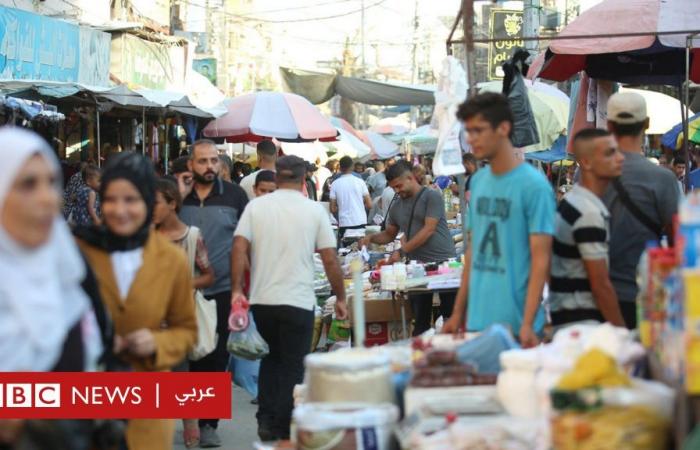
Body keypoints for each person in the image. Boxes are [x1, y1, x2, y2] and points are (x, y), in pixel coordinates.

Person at [74, 152, 197, 450]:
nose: (119, 210)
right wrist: (95, 342)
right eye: (111, 199)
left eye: (131, 200)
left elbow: (186, 332)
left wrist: (157, 343)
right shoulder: (77, 250)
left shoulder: (170, 260)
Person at [231, 155, 348, 441]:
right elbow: (330, 259)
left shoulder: (256, 207)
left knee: (271, 360)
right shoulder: (313, 211)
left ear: (277, 176)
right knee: (293, 363)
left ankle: (266, 419)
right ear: (303, 179)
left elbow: (238, 247)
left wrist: (237, 289)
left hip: (263, 299)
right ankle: (284, 424)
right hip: (298, 300)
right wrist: (341, 295)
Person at [442, 93, 555, 348]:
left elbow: (541, 259)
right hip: (477, 321)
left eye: (478, 130)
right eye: (468, 131)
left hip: (518, 326)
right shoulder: (479, 182)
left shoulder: (534, 186)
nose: (471, 140)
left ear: (503, 128)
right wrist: (457, 314)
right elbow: (472, 253)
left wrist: (528, 323)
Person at [179, 139, 248, 446]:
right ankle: (190, 418)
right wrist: (178, 196)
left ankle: (209, 424)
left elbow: (244, 243)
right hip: (178, 291)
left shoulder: (234, 196)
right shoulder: (177, 195)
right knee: (185, 359)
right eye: (202, 161)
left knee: (215, 357)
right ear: (190, 165)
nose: (209, 166)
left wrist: (240, 289)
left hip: (220, 289)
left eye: (213, 161)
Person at [602, 91, 680, 328]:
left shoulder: (587, 174)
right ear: (646, 124)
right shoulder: (663, 179)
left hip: (598, 296)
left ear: (609, 125)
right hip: (646, 297)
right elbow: (679, 243)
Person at [361, 160, 457, 335]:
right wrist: (370, 238)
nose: (397, 191)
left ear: (411, 178)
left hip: (445, 264)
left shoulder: (431, 196)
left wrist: (401, 251)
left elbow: (429, 229)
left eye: (399, 186)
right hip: (417, 267)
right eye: (393, 188)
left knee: (450, 317)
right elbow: (389, 234)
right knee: (420, 321)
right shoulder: (397, 206)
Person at [153, 177, 215, 448]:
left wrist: (182, 285)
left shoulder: (192, 236)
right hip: (149, 317)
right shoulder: (145, 236)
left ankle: (191, 429)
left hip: (179, 317)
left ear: (172, 204)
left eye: (154, 202)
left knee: (180, 374)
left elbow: (209, 274)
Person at [549, 129, 626, 328]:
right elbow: (600, 285)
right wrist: (622, 333)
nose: (619, 158)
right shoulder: (587, 212)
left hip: (567, 320)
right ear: (586, 162)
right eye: (610, 153)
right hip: (582, 326)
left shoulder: (572, 202)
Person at [330, 156, 372, 240]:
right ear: (352, 167)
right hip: (360, 221)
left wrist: (342, 206)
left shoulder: (335, 184)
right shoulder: (360, 182)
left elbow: (332, 209)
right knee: (361, 249)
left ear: (340, 168)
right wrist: (359, 204)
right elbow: (370, 205)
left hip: (344, 223)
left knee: (345, 250)